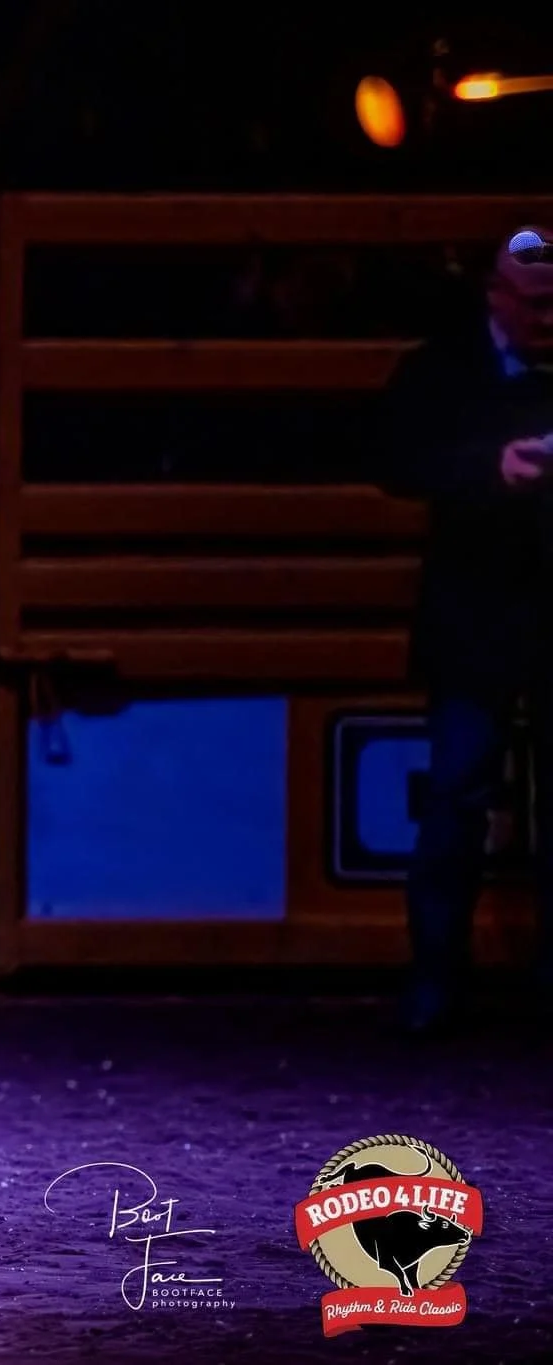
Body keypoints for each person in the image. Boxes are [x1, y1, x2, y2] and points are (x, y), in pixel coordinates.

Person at [377, 231, 553, 1037]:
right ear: (496, 294)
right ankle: (435, 982)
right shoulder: (441, 370)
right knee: (455, 798)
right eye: (535, 303)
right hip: (475, 616)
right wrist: (490, 468)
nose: (548, 318)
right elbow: (392, 458)